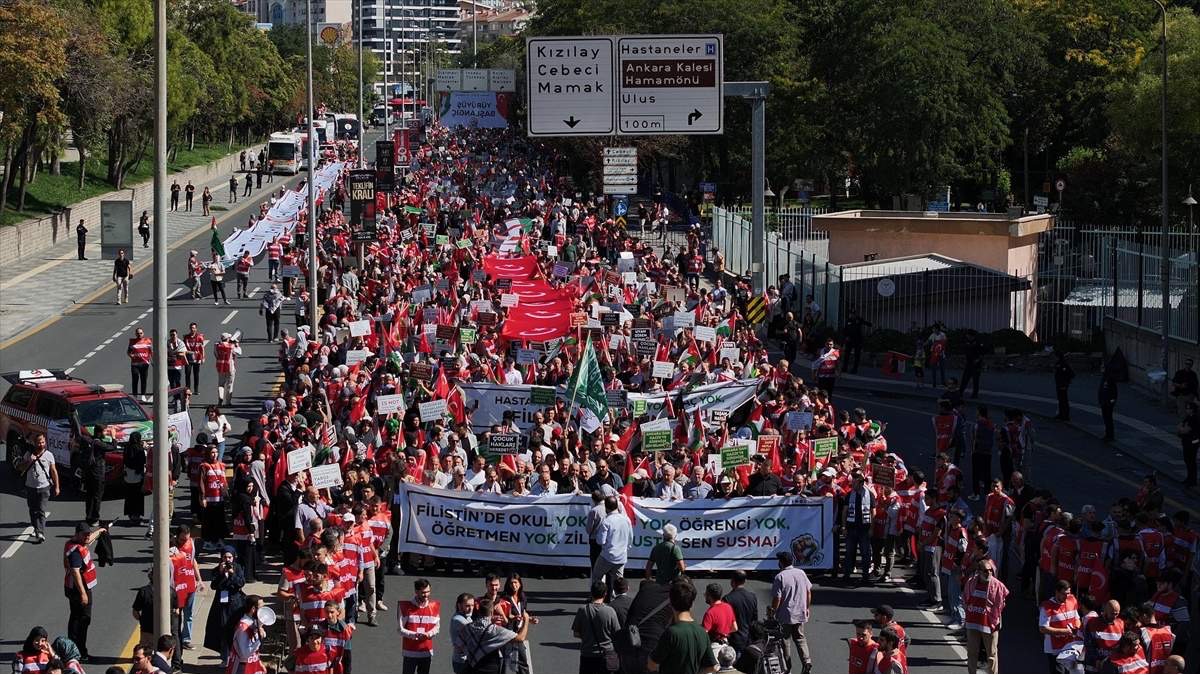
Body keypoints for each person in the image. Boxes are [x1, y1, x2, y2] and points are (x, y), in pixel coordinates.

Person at [647, 579, 718, 674]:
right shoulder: (702, 632)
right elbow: (712, 667)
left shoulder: (671, 633)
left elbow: (651, 665)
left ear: (671, 603)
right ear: (692, 604)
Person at [64, 521, 104, 661]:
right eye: (85, 534)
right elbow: (75, 572)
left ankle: (75, 650)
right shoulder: (75, 551)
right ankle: (79, 652)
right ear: (77, 535)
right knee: (82, 620)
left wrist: (100, 531)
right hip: (78, 589)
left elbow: (89, 540)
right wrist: (83, 593)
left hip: (74, 588)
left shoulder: (78, 543)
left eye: (88, 533)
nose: (88, 536)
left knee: (76, 618)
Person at [458, 597, 528, 674]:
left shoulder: (468, 627)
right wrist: (526, 620)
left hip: (473, 666)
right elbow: (520, 638)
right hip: (490, 667)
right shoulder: (494, 630)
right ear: (492, 612)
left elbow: (459, 645)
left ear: (479, 610)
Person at [771, 550, 813, 673]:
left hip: (785, 615)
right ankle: (807, 661)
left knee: (785, 641)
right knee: (800, 638)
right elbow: (808, 592)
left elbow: (777, 598)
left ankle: (786, 667)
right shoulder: (801, 573)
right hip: (800, 612)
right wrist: (806, 608)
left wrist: (773, 612)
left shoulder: (780, 577)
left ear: (781, 563)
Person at [963, 560, 1009, 674]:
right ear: (978, 572)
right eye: (985, 571)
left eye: (990, 571)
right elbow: (965, 598)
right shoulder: (971, 582)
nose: (988, 573)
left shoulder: (998, 585)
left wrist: (993, 619)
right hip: (973, 623)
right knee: (972, 652)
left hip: (990, 624)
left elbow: (1001, 605)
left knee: (992, 654)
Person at [205, 547, 246, 665]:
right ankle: (225, 657)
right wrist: (221, 573)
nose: (227, 560)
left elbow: (241, 583)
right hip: (221, 604)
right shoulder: (217, 570)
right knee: (222, 629)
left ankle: (235, 655)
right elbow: (213, 586)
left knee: (235, 629)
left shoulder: (238, 568)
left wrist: (232, 575)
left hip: (235, 603)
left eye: (229, 557)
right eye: (225, 557)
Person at [17, 430, 59, 543]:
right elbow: (20, 468)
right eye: (39, 442)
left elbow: (54, 471)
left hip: (44, 487)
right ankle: (36, 527)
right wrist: (29, 461)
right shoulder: (28, 454)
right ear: (35, 443)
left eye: (43, 442)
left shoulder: (49, 455)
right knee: (33, 510)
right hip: (30, 487)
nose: (41, 444)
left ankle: (40, 532)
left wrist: (57, 487)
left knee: (41, 510)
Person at [573, 580, 621, 674]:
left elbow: (576, 633)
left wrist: (587, 637)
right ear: (605, 594)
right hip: (606, 654)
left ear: (591, 593)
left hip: (587, 654)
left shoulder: (583, 610)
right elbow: (617, 633)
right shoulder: (610, 611)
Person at [397, 578, 440, 673]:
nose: (426, 595)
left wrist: (428, 634)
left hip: (426, 652)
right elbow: (400, 629)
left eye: (428, 592)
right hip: (410, 652)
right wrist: (415, 635)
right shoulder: (405, 607)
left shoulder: (434, 606)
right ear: (416, 591)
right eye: (423, 592)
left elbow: (437, 627)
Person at [1039, 580, 1082, 672]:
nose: (1066, 596)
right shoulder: (1047, 606)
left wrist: (1077, 627)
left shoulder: (1072, 600)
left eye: (1068, 593)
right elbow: (1043, 628)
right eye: (1064, 594)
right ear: (1057, 592)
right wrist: (1064, 631)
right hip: (1055, 649)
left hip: (1070, 646)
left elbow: (1077, 618)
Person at [592, 496, 631, 598]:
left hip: (607, 556)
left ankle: (597, 598)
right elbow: (630, 538)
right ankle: (619, 602)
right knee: (619, 582)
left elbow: (600, 541)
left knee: (597, 577)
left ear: (606, 507)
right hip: (622, 556)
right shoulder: (626, 519)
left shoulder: (607, 521)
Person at [842, 470, 874, 583]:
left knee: (865, 552)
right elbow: (845, 511)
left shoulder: (869, 495)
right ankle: (847, 573)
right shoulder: (849, 494)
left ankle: (865, 574)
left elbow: (872, 512)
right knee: (849, 551)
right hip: (851, 528)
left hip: (864, 528)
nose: (853, 485)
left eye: (855, 483)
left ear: (861, 483)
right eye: (853, 483)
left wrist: (871, 528)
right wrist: (844, 527)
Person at [198, 444, 229, 548]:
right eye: (212, 452)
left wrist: (226, 495)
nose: (214, 454)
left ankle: (219, 539)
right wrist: (202, 497)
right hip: (208, 499)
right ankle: (207, 540)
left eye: (216, 452)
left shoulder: (222, 465)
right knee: (208, 521)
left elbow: (225, 482)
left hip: (219, 498)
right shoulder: (204, 466)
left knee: (219, 520)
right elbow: (201, 482)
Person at [228, 594, 267, 673]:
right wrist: (259, 637)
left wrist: (259, 663)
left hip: (252, 664)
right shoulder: (243, 627)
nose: (264, 611)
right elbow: (245, 654)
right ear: (253, 609)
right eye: (261, 608)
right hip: (243, 667)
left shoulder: (254, 621)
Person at [724, 570, 758, 657]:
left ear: (732, 581)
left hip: (734, 640)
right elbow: (755, 619)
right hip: (749, 639)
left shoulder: (727, 599)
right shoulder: (752, 597)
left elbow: (726, 622)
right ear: (745, 581)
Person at [122, 431, 147, 525]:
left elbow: (124, 460)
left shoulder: (127, 447)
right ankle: (136, 516)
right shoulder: (139, 448)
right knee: (138, 496)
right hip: (137, 476)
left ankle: (130, 514)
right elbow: (143, 460)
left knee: (129, 496)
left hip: (128, 475)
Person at [450, 593, 476, 674]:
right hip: (462, 662)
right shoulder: (458, 619)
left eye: (472, 605)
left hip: (467, 660)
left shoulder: (468, 617)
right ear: (459, 606)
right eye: (467, 605)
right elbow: (476, 632)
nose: (471, 608)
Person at [214, 332, 242, 406]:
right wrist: (237, 345)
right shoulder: (231, 346)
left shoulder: (217, 345)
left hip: (220, 366)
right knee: (230, 385)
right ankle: (228, 402)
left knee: (221, 384)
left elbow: (216, 354)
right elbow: (239, 352)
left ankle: (220, 397)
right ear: (227, 338)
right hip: (230, 367)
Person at [1177, 400, 1199, 487]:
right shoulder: (1188, 417)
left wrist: (1181, 429)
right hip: (1187, 442)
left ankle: (1192, 480)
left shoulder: (1194, 418)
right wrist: (1181, 428)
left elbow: (1185, 430)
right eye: (1186, 408)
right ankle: (1189, 478)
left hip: (1192, 443)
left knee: (1191, 461)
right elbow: (1179, 426)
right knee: (1187, 460)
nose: (1187, 410)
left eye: (1188, 408)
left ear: (1193, 409)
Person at [128, 326, 153, 398]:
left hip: (145, 363)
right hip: (135, 364)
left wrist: (152, 361)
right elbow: (128, 352)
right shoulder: (132, 342)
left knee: (143, 379)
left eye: (141, 333)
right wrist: (131, 356)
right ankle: (135, 395)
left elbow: (151, 352)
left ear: (143, 333)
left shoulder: (148, 341)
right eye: (138, 333)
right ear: (135, 334)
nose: (139, 334)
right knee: (135, 378)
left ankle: (143, 395)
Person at [1053, 347, 1075, 421]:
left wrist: (1066, 382)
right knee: (1061, 400)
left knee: (1064, 400)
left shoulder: (1063, 364)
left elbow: (1071, 374)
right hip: (1059, 384)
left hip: (1063, 384)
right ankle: (1061, 414)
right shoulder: (1058, 363)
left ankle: (1065, 416)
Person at [1099, 367, 1119, 442]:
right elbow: (1101, 390)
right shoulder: (1104, 378)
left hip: (1107, 402)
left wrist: (1111, 401)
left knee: (1108, 419)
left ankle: (1110, 435)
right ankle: (1107, 434)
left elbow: (1114, 391)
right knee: (1106, 419)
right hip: (1104, 402)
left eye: (1103, 367)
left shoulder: (1110, 378)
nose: (1101, 369)